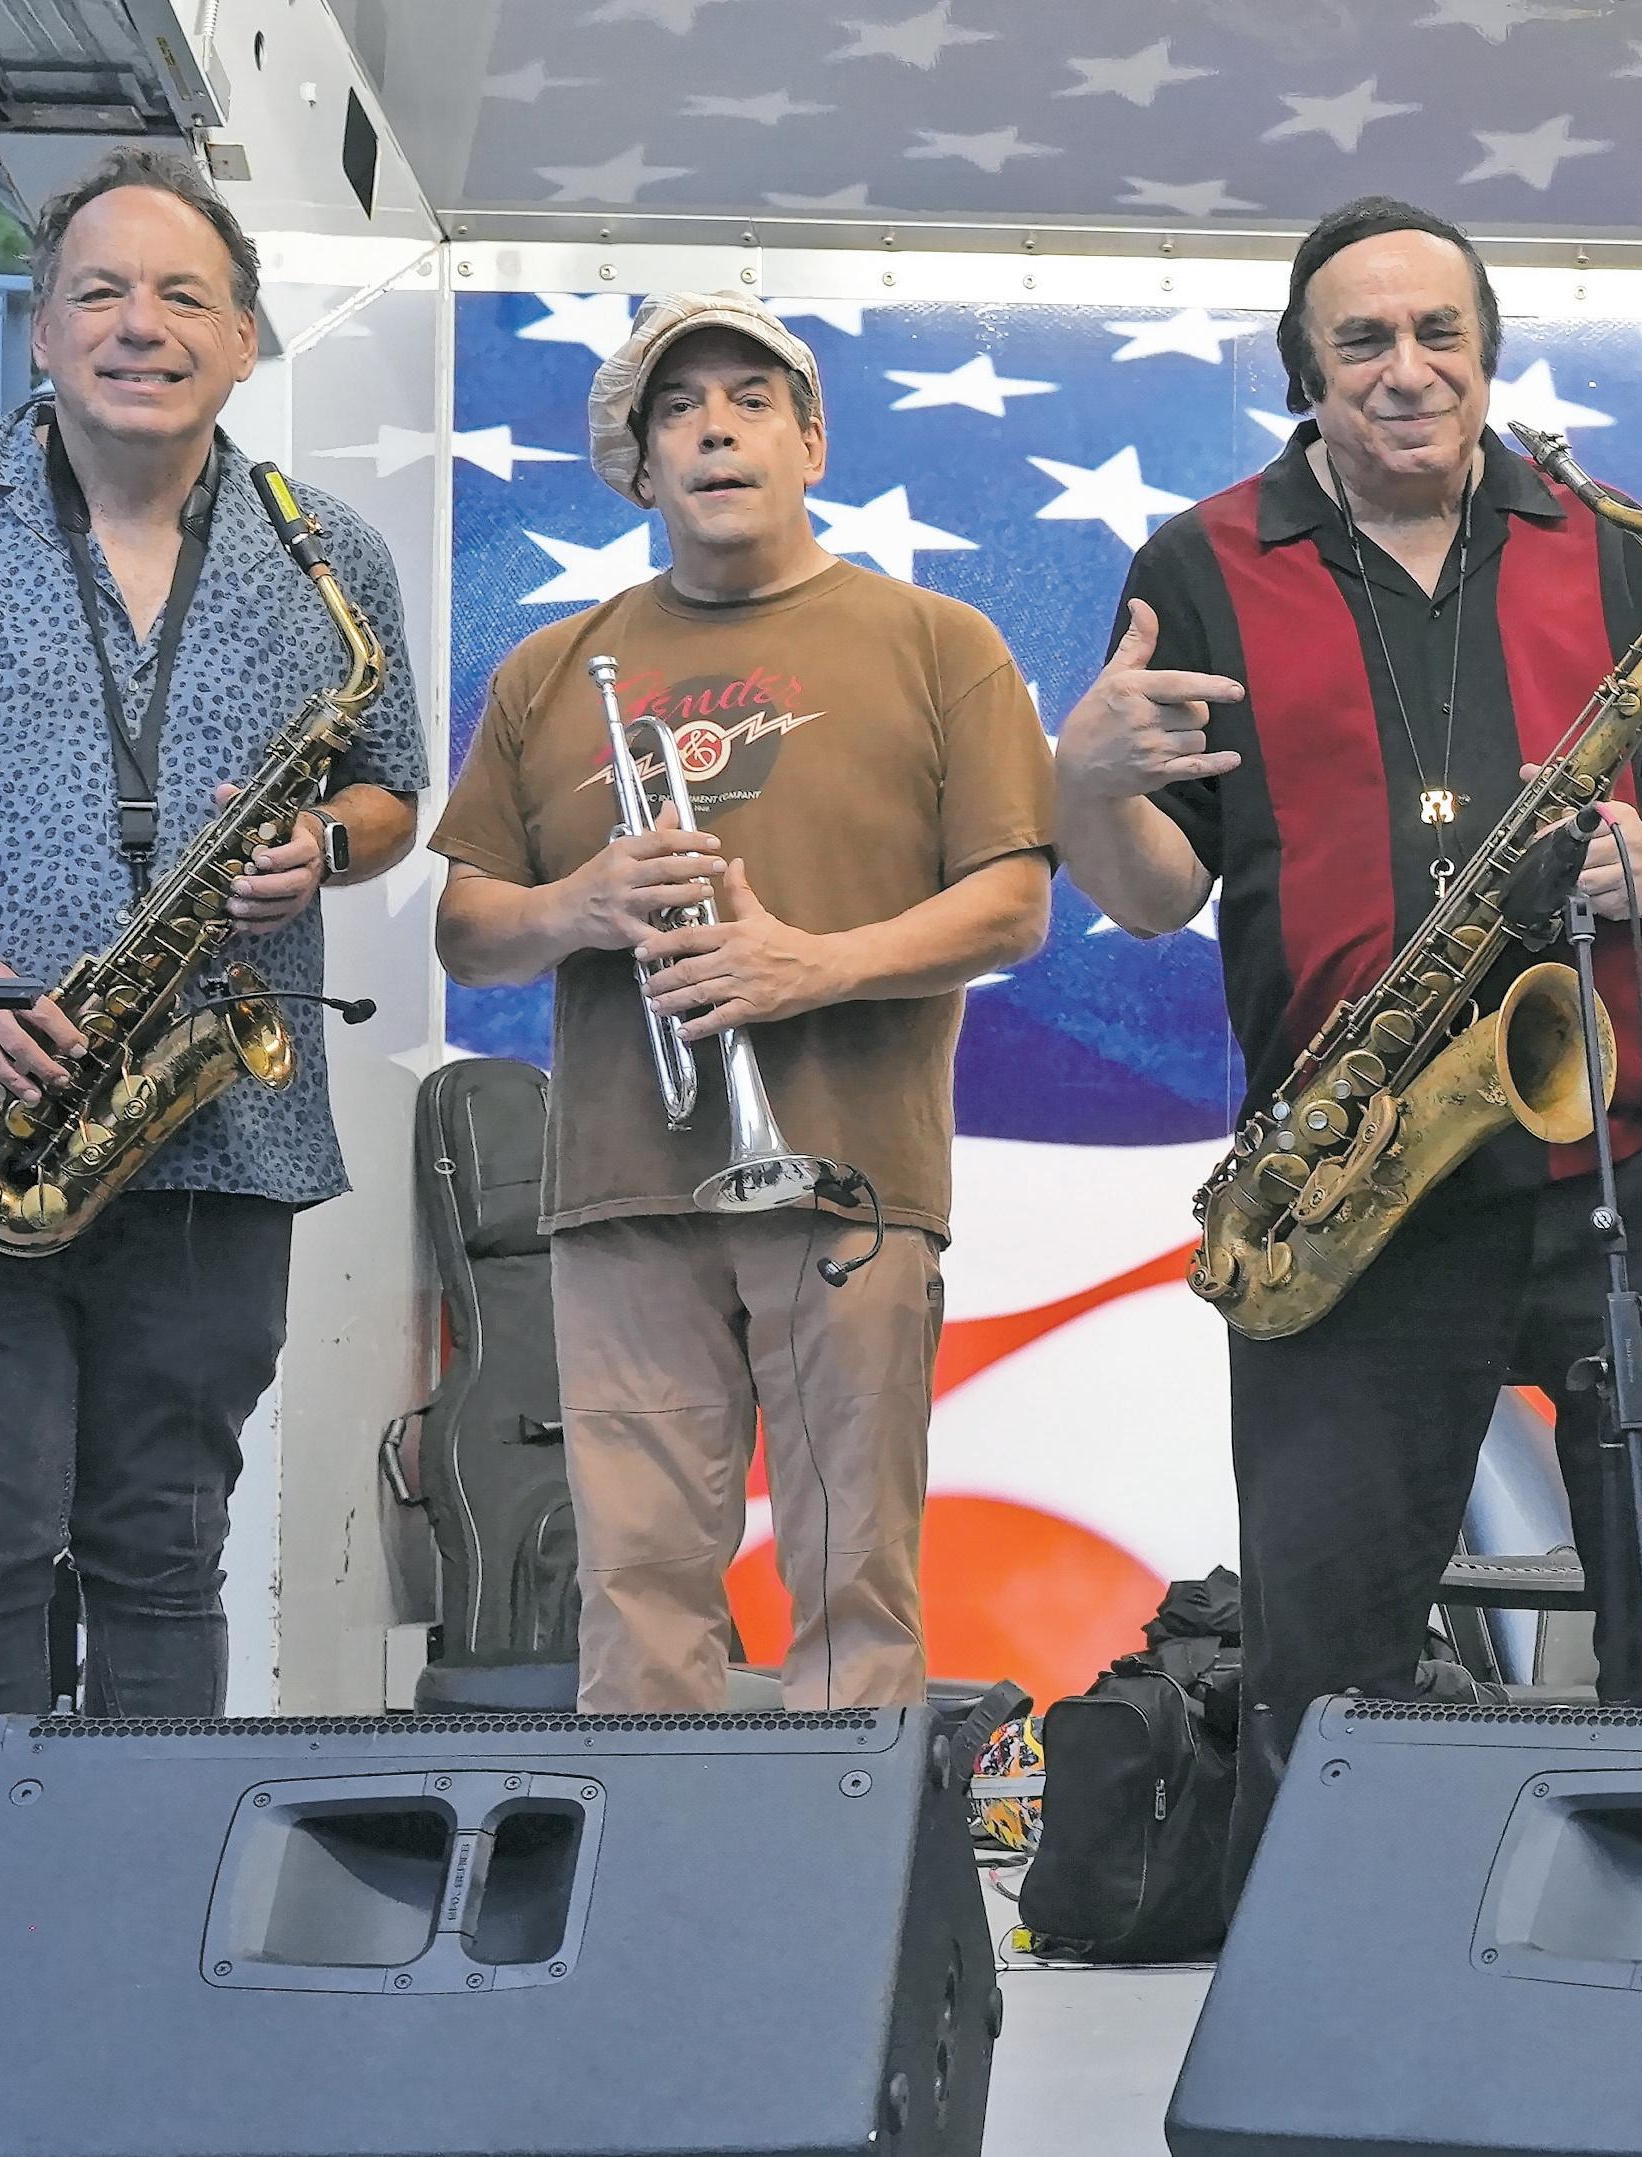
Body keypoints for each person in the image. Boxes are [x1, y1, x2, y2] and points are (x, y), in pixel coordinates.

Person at [1053, 198, 1642, 1884]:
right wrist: (1081, 784)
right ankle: (1329, 1995)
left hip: (1635, 1153)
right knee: (1328, 1649)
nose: (1408, 369)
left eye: (1439, 333)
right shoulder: (1198, 566)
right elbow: (1156, 892)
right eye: (1364, 340)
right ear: (1304, 375)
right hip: (1358, 1173)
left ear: (1487, 353)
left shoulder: (1615, 548)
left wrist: (1635, 862)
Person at [0, 147, 427, 1948]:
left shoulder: (327, 551)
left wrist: (328, 844)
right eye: (100, 292)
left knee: (164, 1549)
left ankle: (147, 1952)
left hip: (214, 1136)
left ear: (246, 337)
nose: (142, 324)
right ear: (45, 331)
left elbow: (392, 788)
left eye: (183, 294)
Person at [431, 295, 1055, 1714]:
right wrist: (580, 904)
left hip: (849, 1180)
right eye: (679, 409)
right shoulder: (549, 670)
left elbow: (1012, 904)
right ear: (639, 464)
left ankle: (849, 1855)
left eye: (751, 401)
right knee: (637, 1601)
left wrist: (809, 966)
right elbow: (469, 929)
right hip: (623, 1190)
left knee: (855, 1589)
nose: (715, 430)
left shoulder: (938, 640)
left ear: (812, 443)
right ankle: (660, 1859)